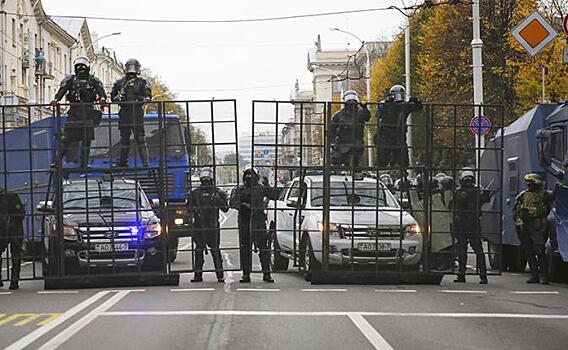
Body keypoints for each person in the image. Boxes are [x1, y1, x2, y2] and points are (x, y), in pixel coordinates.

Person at [51, 56, 107, 167]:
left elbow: (101, 92)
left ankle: (84, 163)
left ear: (88, 67)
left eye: (83, 66)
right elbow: (62, 90)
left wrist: (102, 99)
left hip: (88, 112)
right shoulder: (70, 79)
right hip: (74, 112)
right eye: (78, 66)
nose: (81, 68)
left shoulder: (94, 80)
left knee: (86, 140)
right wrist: (56, 99)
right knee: (65, 138)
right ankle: (57, 162)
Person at [230, 166, 279, 283]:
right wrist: (243, 205)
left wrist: (267, 185)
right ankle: (246, 274)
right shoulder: (239, 189)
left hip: (258, 223)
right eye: (247, 174)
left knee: (264, 249)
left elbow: (274, 196)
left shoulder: (260, 189)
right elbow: (232, 202)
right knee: (245, 250)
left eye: (251, 175)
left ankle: (266, 273)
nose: (249, 177)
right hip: (244, 222)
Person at [513, 173, 555, 284]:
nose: (529, 185)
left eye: (532, 182)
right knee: (529, 252)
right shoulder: (523, 195)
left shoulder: (544, 195)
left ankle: (544, 276)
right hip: (525, 226)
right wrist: (518, 219)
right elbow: (516, 209)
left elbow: (553, 197)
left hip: (538, 226)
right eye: (528, 183)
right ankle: (534, 275)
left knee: (540, 251)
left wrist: (557, 188)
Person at [189, 168, 229, 283]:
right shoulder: (195, 192)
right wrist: (195, 210)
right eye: (204, 177)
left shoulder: (217, 192)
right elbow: (188, 206)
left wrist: (218, 199)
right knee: (198, 250)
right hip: (199, 224)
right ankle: (198, 275)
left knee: (215, 250)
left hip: (212, 224)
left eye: (208, 177)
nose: (206, 179)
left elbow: (225, 208)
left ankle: (220, 275)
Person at [450, 168, 490, 284]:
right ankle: (461, 275)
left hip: (473, 223)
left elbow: (482, 202)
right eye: (465, 178)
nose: (468, 180)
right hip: (462, 224)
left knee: (478, 250)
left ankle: (483, 276)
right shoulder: (458, 191)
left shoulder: (477, 191)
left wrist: (486, 195)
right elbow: (454, 205)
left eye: (469, 178)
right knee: (462, 251)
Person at [111, 58, 152, 167]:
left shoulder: (142, 82)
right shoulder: (120, 83)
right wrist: (118, 98)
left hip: (136, 111)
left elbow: (148, 96)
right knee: (124, 138)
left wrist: (141, 99)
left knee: (140, 138)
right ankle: (123, 162)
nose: (131, 71)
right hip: (124, 111)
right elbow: (113, 96)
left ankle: (146, 162)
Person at [375, 85, 423, 169]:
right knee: (386, 156)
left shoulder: (402, 106)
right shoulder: (393, 106)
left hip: (395, 135)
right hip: (390, 135)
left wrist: (415, 101)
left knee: (400, 157)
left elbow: (417, 107)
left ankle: (397, 168)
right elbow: (379, 113)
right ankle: (387, 167)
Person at [329, 90, 371, 169]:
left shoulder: (360, 113)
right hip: (342, 142)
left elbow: (367, 117)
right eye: (349, 99)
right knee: (336, 158)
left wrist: (364, 107)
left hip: (356, 141)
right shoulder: (339, 114)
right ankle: (338, 170)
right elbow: (332, 129)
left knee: (356, 158)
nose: (351, 101)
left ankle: (355, 168)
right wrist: (332, 142)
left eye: (353, 99)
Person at [0, 189, 25, 290]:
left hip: (14, 228)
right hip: (3, 229)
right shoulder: (11, 196)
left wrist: (11, 223)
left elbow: (21, 213)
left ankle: (14, 281)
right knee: (15, 255)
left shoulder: (12, 196)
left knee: (16, 255)